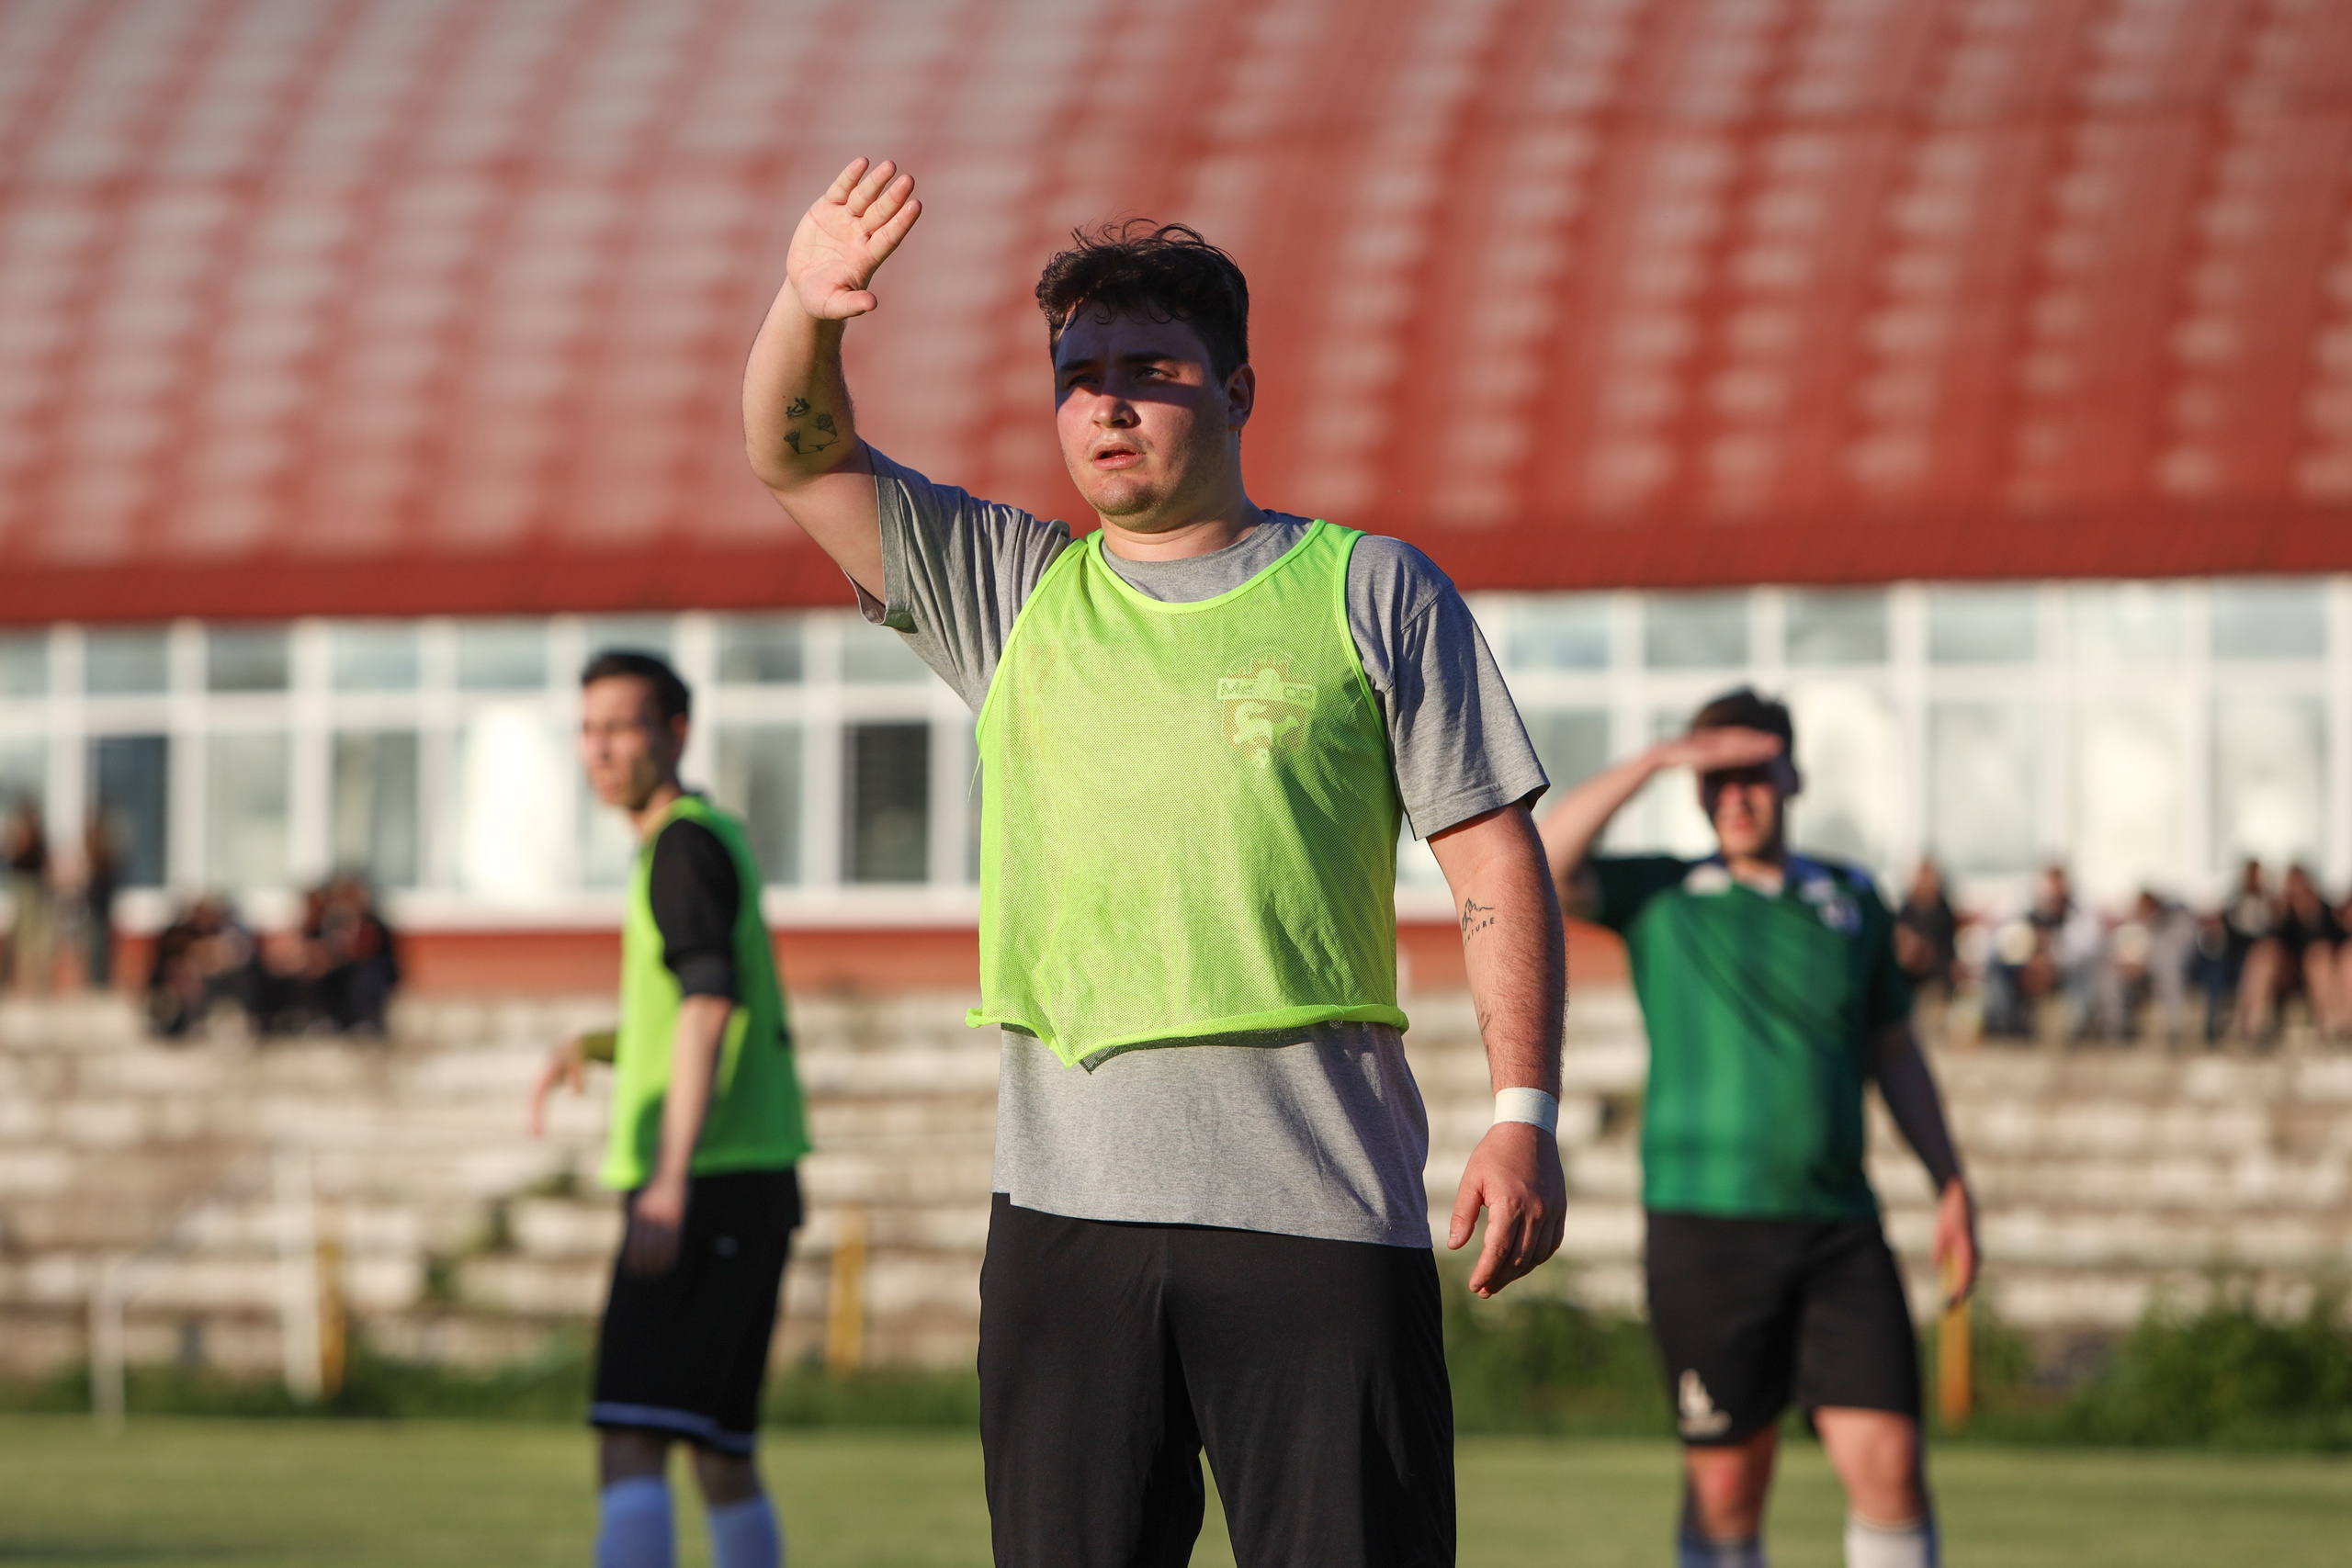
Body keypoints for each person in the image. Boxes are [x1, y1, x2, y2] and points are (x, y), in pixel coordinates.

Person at [744, 159, 1566, 1566]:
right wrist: (805, 310)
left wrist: (1524, 1107)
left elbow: (1491, 852)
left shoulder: (1369, 588)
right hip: (1068, 1224)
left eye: (1151, 367)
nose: (1108, 401)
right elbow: (800, 455)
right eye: (1080, 374)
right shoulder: (1008, 592)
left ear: (1237, 390)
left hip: (1316, 1211)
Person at [1538, 688, 1975, 1568]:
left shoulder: (1853, 900)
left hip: (1839, 1230)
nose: (1735, 796)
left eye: (1754, 776)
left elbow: (1893, 1051)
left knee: (1890, 1462)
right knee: (1728, 1487)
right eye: (1716, 779)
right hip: (1707, 1231)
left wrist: (1951, 1182)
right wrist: (1658, 759)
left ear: (1793, 777)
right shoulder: (1662, 892)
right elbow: (1542, 860)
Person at [528, 650, 810, 1568]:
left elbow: (709, 1003)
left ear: (674, 735)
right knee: (720, 1452)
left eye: (622, 727)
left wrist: (666, 1182)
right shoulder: (705, 838)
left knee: (631, 1441)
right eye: (588, 729)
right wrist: (600, 1045)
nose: (601, 750)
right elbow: (692, 1003)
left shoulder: (680, 847)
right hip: (745, 1183)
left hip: (706, 1186)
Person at [2239, 863, 2346, 1043]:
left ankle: (2330, 1022)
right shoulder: (2281, 912)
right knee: (2262, 953)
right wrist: (2280, 915)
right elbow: (2272, 940)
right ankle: (2253, 1021)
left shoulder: (2323, 910)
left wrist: (2309, 915)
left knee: (2318, 955)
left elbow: (2333, 940)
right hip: (2286, 971)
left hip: (2317, 972)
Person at [4, 796, 53, 993]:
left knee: (37, 938)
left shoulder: (37, 840)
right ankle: (21, 982)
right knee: (22, 939)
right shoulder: (17, 840)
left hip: (35, 893)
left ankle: (36, 982)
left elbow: (41, 864)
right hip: (23, 891)